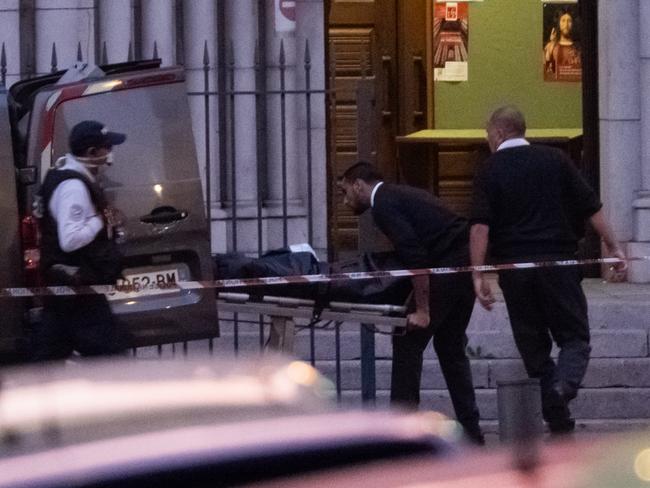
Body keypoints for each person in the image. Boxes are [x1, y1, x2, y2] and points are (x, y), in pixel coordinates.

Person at [469, 106, 626, 434]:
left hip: (515, 271)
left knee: (533, 347)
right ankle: (564, 386)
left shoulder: (489, 169)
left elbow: (480, 227)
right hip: (558, 263)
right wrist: (613, 247)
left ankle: (558, 416)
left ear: (498, 133)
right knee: (574, 336)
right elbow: (591, 206)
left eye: (488, 136)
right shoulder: (556, 160)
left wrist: (478, 273)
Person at [338, 162, 484, 445]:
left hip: (448, 266)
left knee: (408, 341)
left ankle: (401, 435)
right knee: (451, 347)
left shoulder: (383, 205)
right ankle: (472, 431)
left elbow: (416, 259)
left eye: (346, 192)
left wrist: (423, 310)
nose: (345, 201)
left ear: (359, 185)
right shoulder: (398, 195)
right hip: (462, 263)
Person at [31, 120, 128, 361]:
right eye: (107, 148)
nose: (110, 153)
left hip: (69, 285)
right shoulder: (73, 186)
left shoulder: (68, 175)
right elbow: (70, 239)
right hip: (77, 283)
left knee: (49, 351)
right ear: (92, 153)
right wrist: (99, 221)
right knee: (109, 352)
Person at [544, 8, 581, 81]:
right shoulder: (550, 46)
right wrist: (552, 44)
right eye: (563, 20)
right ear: (558, 23)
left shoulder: (579, 48)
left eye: (569, 21)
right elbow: (546, 72)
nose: (566, 24)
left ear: (573, 24)